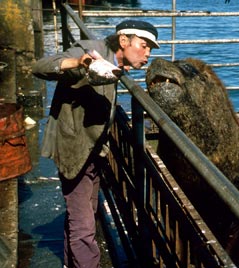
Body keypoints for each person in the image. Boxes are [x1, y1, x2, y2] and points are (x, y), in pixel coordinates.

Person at [32, 20, 159, 268]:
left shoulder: (115, 63)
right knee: (84, 227)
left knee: (84, 215)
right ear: (124, 41)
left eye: (151, 50)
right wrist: (79, 63)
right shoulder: (91, 50)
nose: (147, 55)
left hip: (92, 151)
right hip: (74, 148)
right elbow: (39, 66)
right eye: (143, 46)